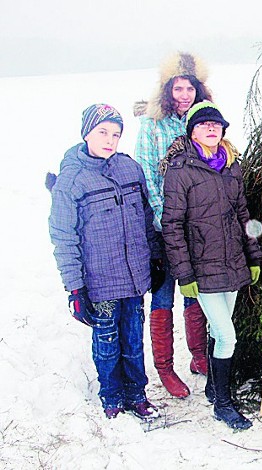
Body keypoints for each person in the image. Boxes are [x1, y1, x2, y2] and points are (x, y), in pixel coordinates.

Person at [49, 104, 161, 419]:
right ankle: (111, 397)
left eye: (115, 133)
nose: (110, 140)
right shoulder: (72, 179)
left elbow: (146, 217)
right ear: (87, 133)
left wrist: (154, 258)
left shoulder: (130, 168)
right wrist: (75, 289)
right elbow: (63, 236)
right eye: (102, 132)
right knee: (108, 342)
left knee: (133, 339)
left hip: (134, 276)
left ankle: (137, 394)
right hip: (100, 282)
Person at [161, 101, 262, 430]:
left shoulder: (232, 166)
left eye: (216, 125)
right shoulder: (180, 169)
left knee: (221, 332)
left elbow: (243, 215)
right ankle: (223, 403)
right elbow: (172, 225)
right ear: (192, 131)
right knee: (227, 336)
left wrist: (253, 255)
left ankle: (211, 387)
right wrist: (184, 274)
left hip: (232, 262)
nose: (211, 129)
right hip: (202, 268)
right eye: (203, 125)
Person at [134, 51, 213, 398]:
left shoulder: (202, 122)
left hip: (197, 223)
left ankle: (199, 356)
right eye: (178, 88)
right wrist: (165, 219)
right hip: (164, 225)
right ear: (167, 91)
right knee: (163, 294)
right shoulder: (152, 125)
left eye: (190, 89)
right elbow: (149, 175)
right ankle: (165, 369)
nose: (184, 95)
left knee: (194, 292)